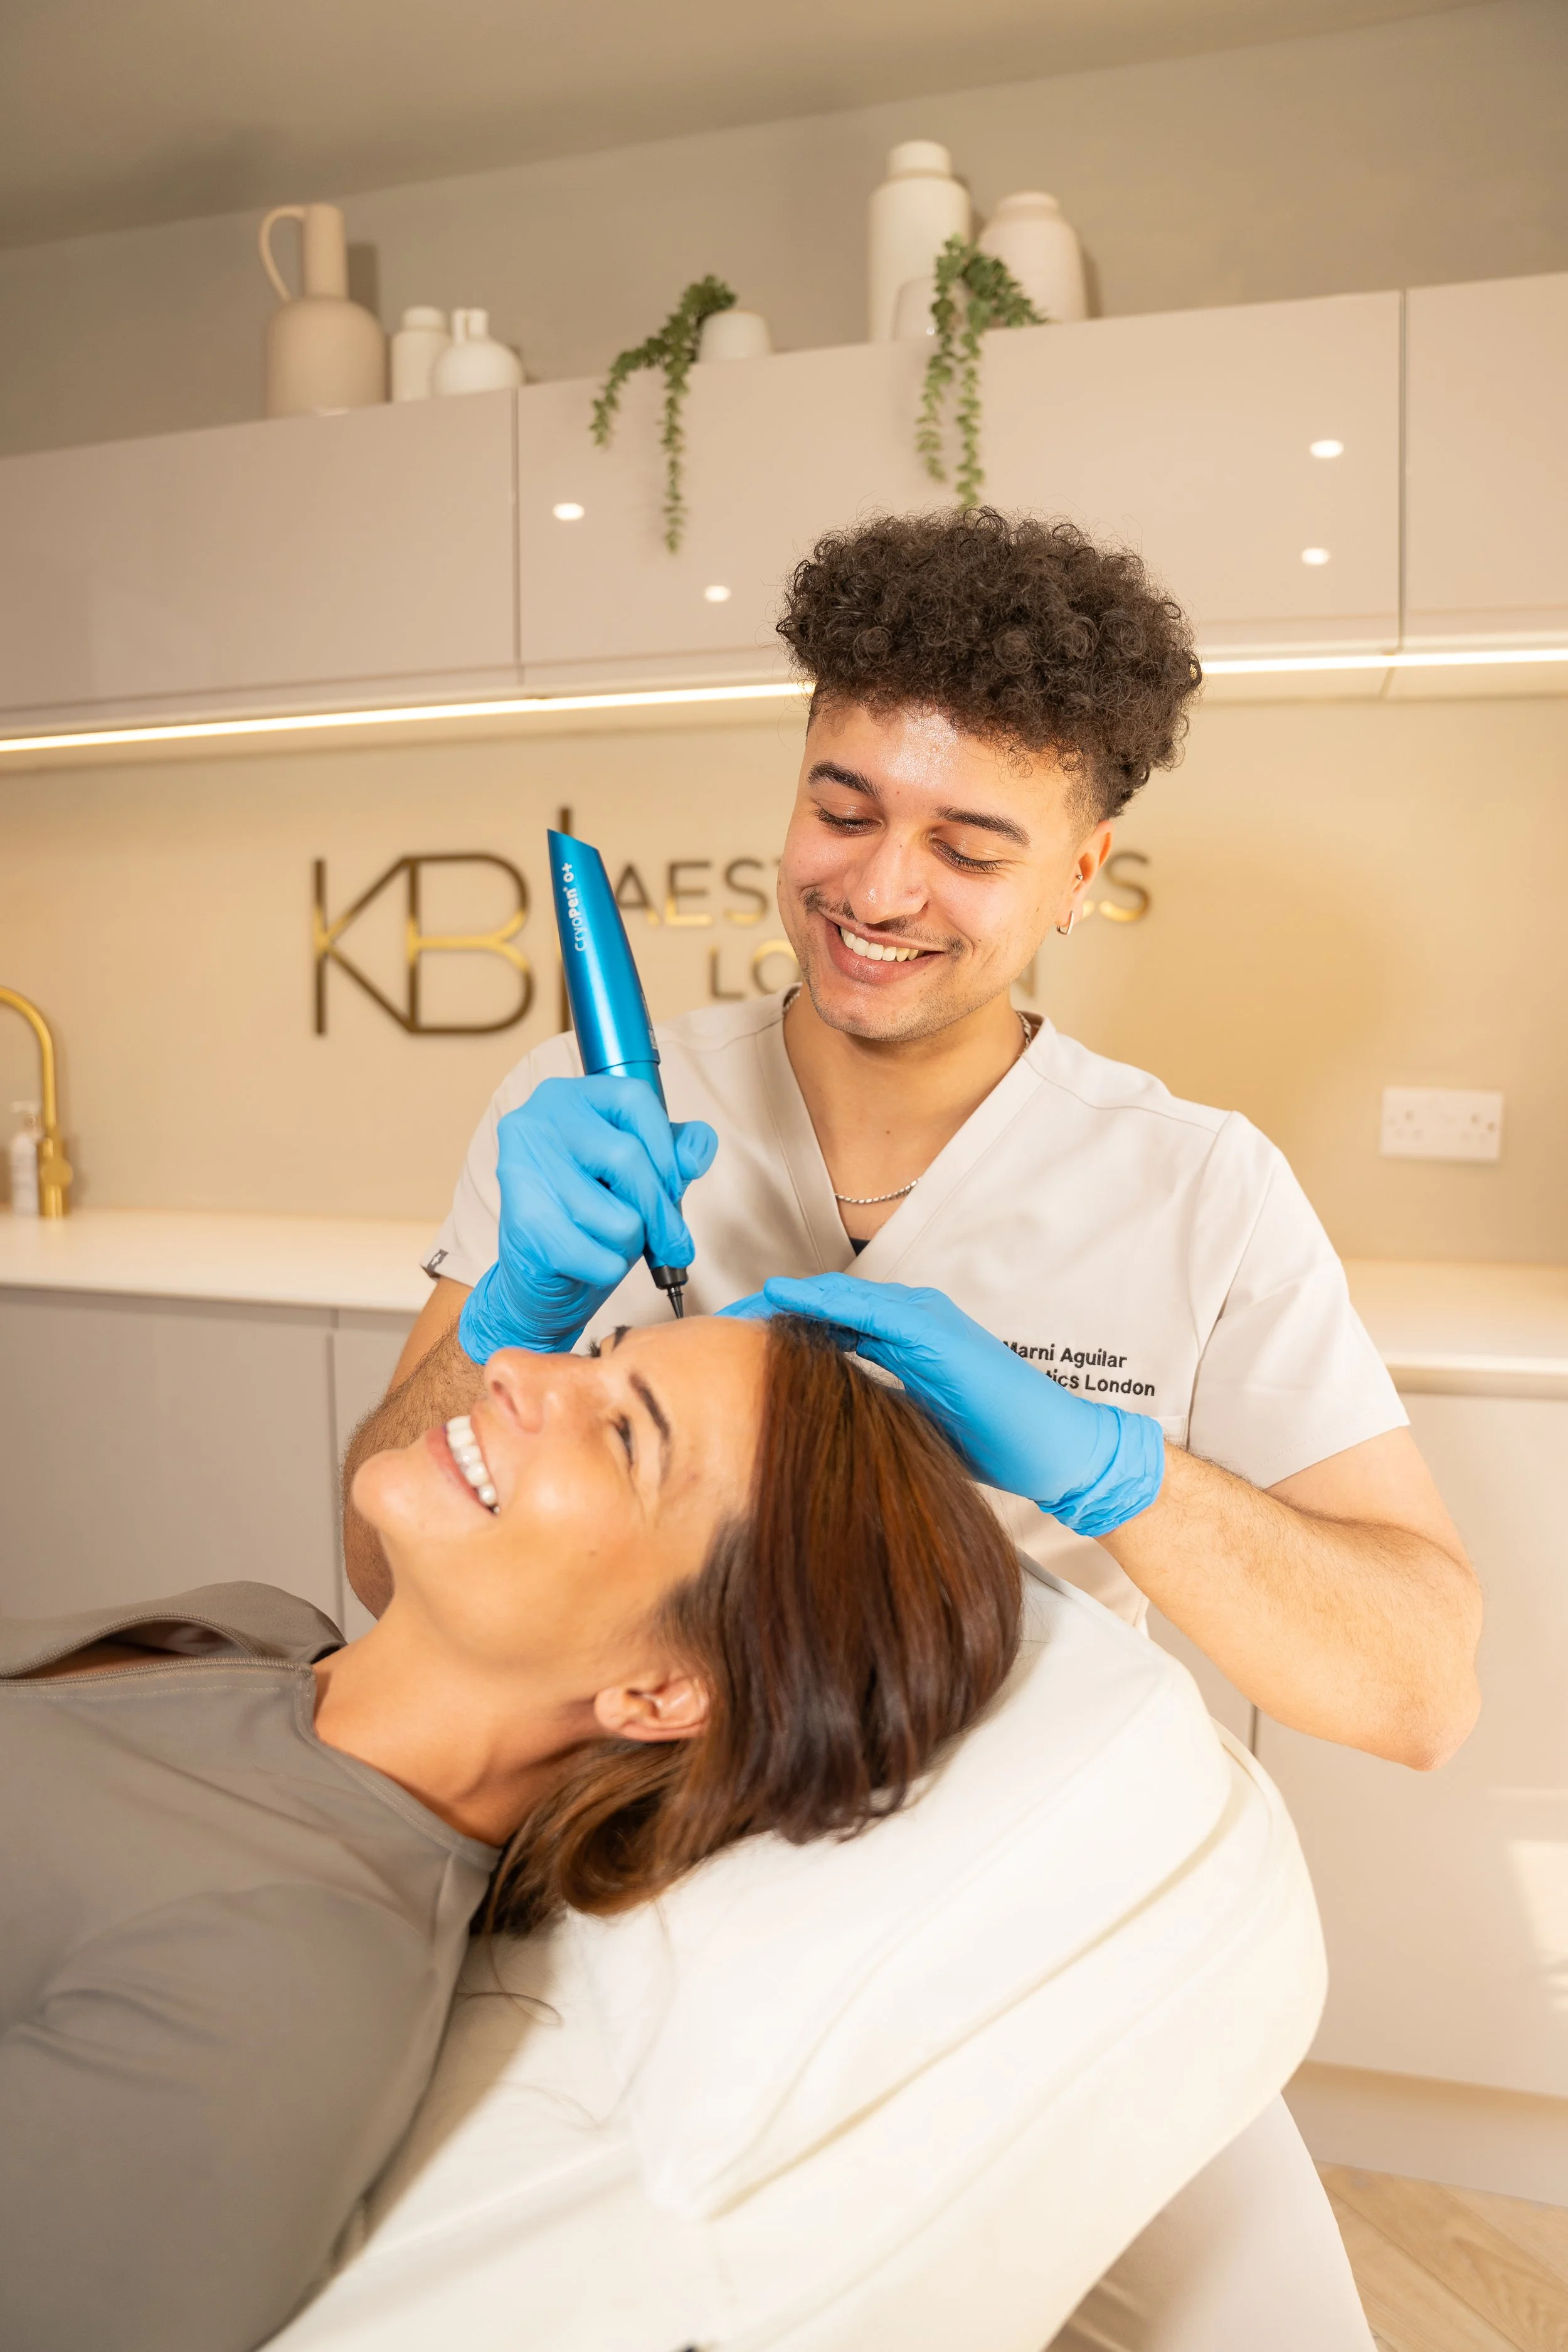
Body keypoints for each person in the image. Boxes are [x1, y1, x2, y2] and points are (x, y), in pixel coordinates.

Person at [343, 506, 1481, 2349]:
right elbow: (370, 1548)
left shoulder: (1196, 1190)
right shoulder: (581, 1100)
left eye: (970, 843)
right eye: (844, 806)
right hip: (604, 1829)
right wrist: (513, 1309)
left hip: (995, 1883)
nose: (879, 887)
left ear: (1083, 872)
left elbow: (1415, 1686)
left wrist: (1108, 1469)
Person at [0, 1313, 1020, 2352]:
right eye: (597, 1354)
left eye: (627, 1434)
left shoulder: (287, 1970)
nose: (516, 1367)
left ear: (663, 1691)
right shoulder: (256, 1628)